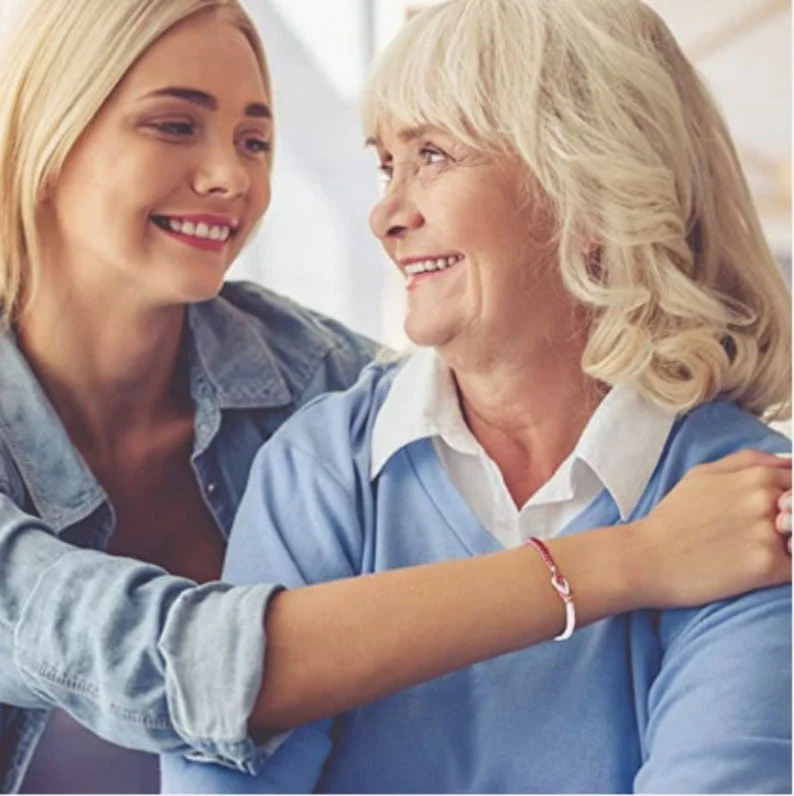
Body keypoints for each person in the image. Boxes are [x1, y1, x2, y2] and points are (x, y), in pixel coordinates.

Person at [0, 0, 789, 793]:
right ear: (50, 131)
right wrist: (638, 558)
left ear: (590, 184)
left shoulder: (309, 389)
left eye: (255, 141)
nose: (231, 177)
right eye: (174, 124)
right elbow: (193, 665)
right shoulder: (322, 457)